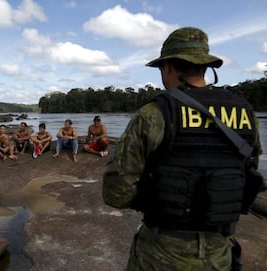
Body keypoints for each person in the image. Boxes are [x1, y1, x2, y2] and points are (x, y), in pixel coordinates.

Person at [102, 27, 262, 271]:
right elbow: (248, 172)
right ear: (204, 66)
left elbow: (116, 193)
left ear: (168, 67)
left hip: (159, 254)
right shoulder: (246, 113)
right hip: (218, 254)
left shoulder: (154, 114)